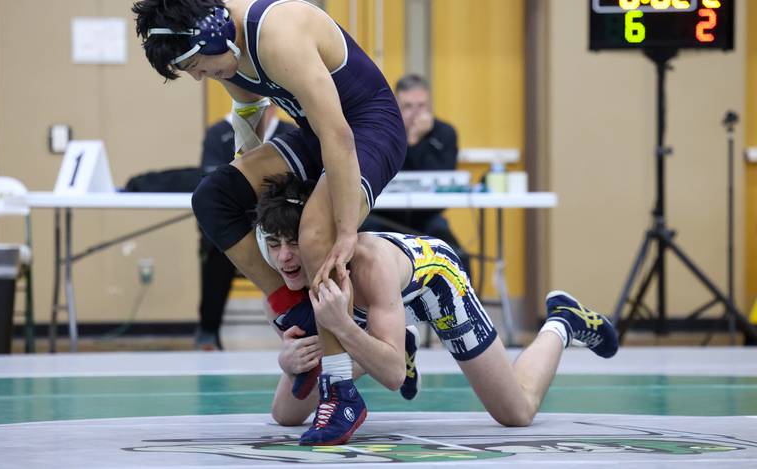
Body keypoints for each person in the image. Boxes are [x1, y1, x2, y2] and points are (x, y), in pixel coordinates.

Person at [133, 0, 406, 443]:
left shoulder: (277, 34)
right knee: (213, 196)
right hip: (315, 131)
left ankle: (340, 388)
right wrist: (252, 181)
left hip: (365, 128)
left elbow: (338, 135)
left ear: (214, 36)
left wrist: (344, 230)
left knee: (318, 236)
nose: (200, 77)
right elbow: (248, 111)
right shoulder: (221, 47)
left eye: (197, 66)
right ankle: (300, 314)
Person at [254, 173, 618, 446]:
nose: (284, 257)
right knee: (288, 416)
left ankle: (562, 321)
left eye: (295, 243)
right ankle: (394, 337)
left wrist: (344, 329)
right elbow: (285, 415)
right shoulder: (282, 287)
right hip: (378, 309)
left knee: (517, 413)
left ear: (317, 238)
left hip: (435, 282)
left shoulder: (369, 265)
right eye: (274, 244)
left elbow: (394, 376)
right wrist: (289, 366)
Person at [196, 104, 293, 351]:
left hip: (283, 223)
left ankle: (319, 321)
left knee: (308, 242)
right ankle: (208, 329)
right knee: (217, 250)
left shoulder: (289, 131)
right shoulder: (219, 132)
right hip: (241, 223)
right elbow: (216, 183)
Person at [361, 74, 471, 275]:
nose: (415, 113)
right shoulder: (381, 132)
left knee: (458, 255)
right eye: (408, 106)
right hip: (384, 215)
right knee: (361, 247)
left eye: (421, 106)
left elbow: (442, 177)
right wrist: (410, 141)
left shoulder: (445, 132)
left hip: (426, 216)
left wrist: (417, 141)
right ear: (396, 105)